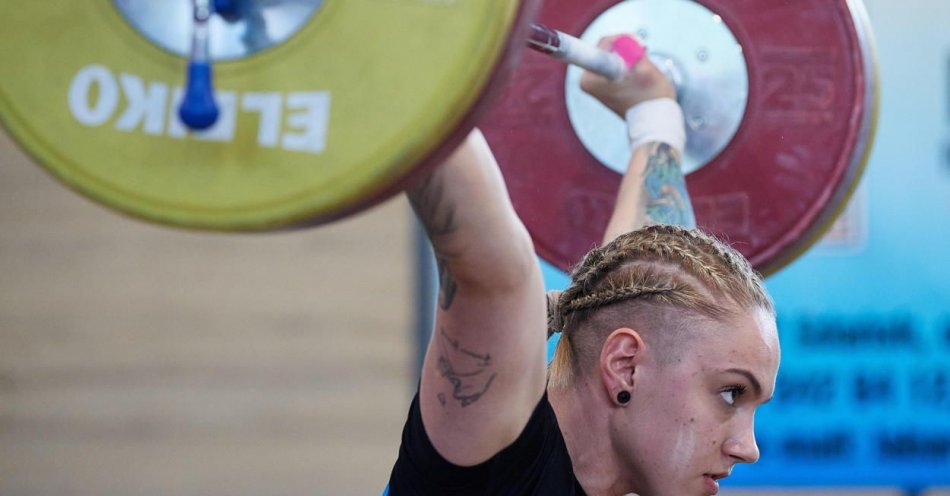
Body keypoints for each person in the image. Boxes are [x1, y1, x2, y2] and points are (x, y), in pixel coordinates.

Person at [386, 35, 780, 496]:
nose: (749, 449)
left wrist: (654, 114)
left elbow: (648, 267)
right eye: (732, 393)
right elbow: (492, 273)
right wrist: (398, 56)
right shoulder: (496, 461)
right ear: (625, 367)